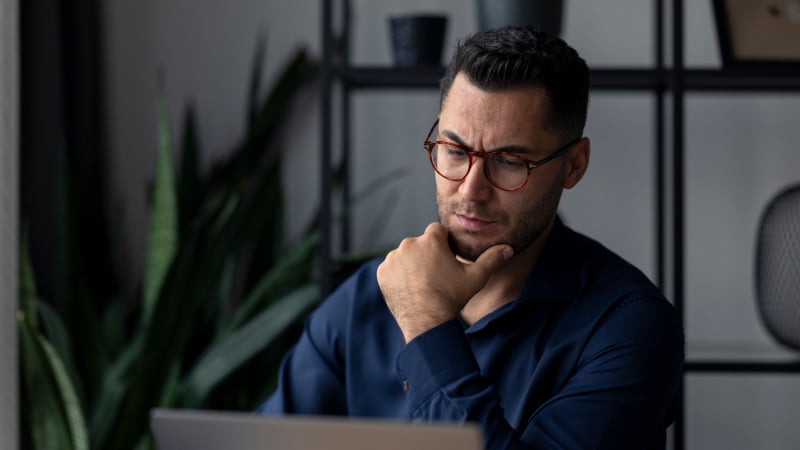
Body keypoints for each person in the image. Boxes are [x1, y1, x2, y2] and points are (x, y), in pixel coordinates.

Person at [257, 26, 683, 450]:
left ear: (574, 165)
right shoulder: (362, 302)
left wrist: (425, 323)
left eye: (510, 161)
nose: (470, 190)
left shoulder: (630, 328)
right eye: (455, 152)